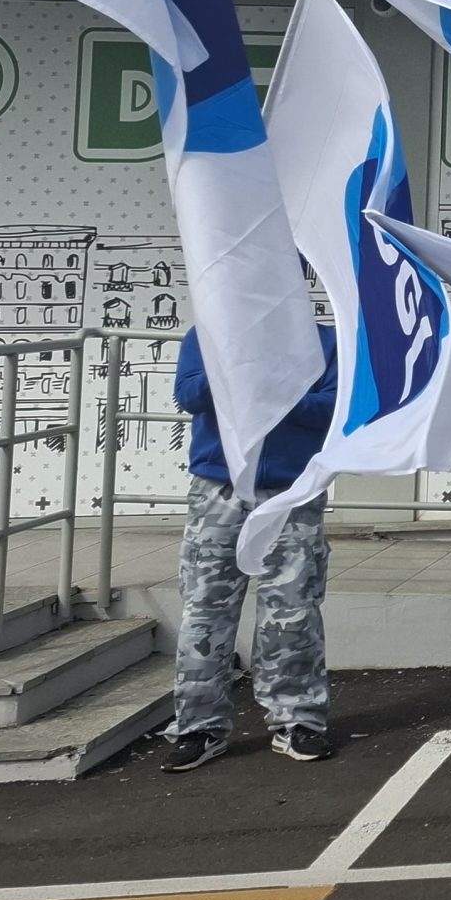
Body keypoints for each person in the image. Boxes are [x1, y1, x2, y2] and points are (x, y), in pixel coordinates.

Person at [159, 323, 341, 772]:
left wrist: (269, 395)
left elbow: (334, 407)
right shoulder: (209, 332)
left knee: (293, 610)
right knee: (205, 611)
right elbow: (190, 395)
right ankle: (198, 727)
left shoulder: (323, 340)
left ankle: (298, 721)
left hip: (293, 491)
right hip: (217, 488)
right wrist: (240, 367)